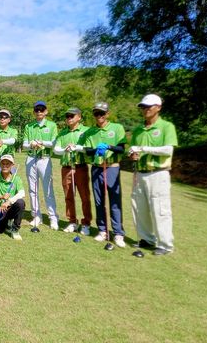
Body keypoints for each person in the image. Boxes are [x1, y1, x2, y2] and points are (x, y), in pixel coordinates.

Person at [129, 94, 178, 256]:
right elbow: (133, 150)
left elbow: (168, 150)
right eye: (143, 107)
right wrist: (133, 155)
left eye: (149, 107)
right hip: (140, 172)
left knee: (160, 208)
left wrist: (143, 149)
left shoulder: (166, 127)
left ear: (158, 107)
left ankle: (165, 244)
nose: (145, 110)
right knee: (139, 207)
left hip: (158, 173)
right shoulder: (138, 130)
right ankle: (147, 239)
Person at [81, 102, 127, 247]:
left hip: (112, 167)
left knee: (114, 200)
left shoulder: (117, 128)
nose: (99, 116)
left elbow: (121, 149)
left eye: (102, 113)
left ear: (107, 114)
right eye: (96, 113)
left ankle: (118, 233)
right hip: (96, 167)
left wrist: (108, 147)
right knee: (99, 201)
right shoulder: (90, 131)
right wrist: (96, 150)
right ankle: (102, 230)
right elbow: (87, 150)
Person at [53, 107, 93, 235]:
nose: (69, 118)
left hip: (80, 166)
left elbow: (89, 147)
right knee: (69, 196)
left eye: (72, 116)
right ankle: (72, 222)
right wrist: (65, 149)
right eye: (67, 116)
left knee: (84, 197)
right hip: (66, 167)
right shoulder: (62, 133)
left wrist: (76, 148)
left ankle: (86, 223)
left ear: (79, 117)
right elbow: (56, 149)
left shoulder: (86, 131)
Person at [22, 100, 59, 230]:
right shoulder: (29, 126)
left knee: (48, 189)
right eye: (37, 110)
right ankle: (36, 216)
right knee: (32, 189)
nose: (39, 112)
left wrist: (42, 142)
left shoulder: (52, 125)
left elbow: (54, 143)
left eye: (41, 110)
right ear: (34, 112)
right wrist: (31, 144)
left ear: (46, 111)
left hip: (45, 159)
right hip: (31, 158)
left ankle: (53, 217)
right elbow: (24, 145)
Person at [0, 154, 25, 240]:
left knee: (20, 202)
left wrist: (9, 201)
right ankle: (6, 224)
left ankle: (15, 229)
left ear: (12, 165)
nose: (5, 166)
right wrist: (1, 197)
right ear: (0, 164)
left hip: (10, 209)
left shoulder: (16, 178)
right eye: (3, 163)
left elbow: (22, 193)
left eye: (8, 164)